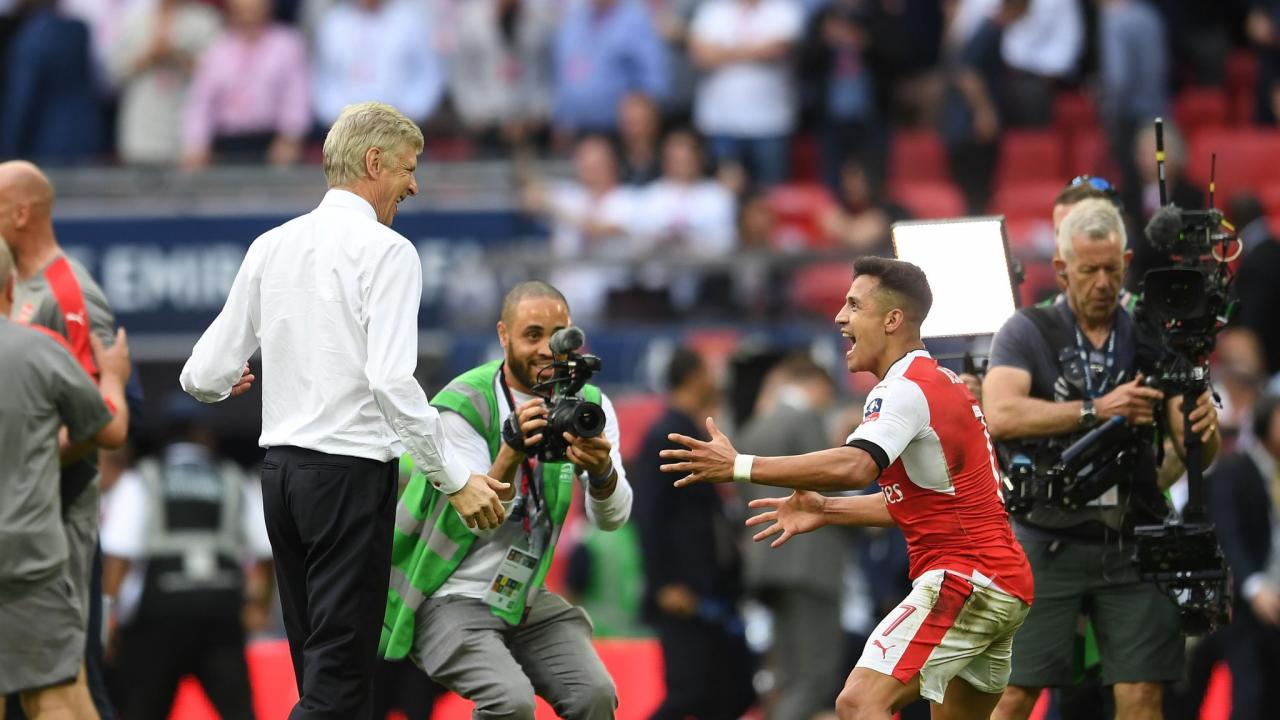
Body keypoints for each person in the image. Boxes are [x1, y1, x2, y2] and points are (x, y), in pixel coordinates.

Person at [180, 101, 504, 719]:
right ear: (375, 161)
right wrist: (454, 479)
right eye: (409, 168)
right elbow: (390, 379)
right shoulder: (389, 252)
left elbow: (203, 372)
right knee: (340, 683)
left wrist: (226, 387)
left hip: (281, 479)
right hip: (348, 479)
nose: (414, 183)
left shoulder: (270, 245)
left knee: (324, 676)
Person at [663, 257, 1035, 719]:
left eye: (854, 305)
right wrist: (826, 510)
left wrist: (740, 465)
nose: (840, 317)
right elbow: (925, 503)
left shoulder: (902, 389)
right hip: (1003, 581)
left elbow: (857, 465)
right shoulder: (944, 384)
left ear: (892, 319)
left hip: (965, 579)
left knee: (858, 703)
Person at [982, 198, 1221, 720]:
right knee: (1015, 693)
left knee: (1140, 693)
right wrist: (1096, 409)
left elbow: (1196, 452)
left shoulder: (1154, 332)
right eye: (1089, 271)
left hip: (1134, 539)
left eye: (1113, 269)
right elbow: (999, 413)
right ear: (1063, 269)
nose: (1102, 283)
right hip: (1046, 537)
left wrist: (1202, 416)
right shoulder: (1028, 330)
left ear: (1127, 262)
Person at [381, 280, 630, 719]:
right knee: (510, 702)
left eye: (556, 337)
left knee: (593, 694)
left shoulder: (589, 405)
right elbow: (480, 519)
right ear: (503, 336)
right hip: (447, 593)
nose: (546, 350)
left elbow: (612, 520)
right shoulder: (464, 404)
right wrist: (511, 452)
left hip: (522, 593)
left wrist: (601, 471)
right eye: (531, 335)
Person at [1, 160, 129, 720]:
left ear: (20, 212)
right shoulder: (23, 289)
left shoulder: (68, 290)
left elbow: (101, 415)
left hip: (59, 521)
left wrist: (23, 457)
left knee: (69, 678)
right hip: (27, 515)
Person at [100, 395, 274, 720]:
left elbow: (119, 557)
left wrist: (106, 621)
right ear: (206, 436)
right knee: (240, 713)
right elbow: (265, 552)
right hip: (220, 614)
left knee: (140, 712)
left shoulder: (142, 479)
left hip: (154, 622)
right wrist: (259, 606)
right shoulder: (233, 479)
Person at [633, 347, 755, 720]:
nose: (715, 379)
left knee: (734, 693)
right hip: (684, 594)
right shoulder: (665, 435)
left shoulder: (693, 433)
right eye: (708, 370)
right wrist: (664, 584)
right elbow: (649, 516)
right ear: (693, 377)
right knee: (690, 693)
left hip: (714, 591)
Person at [736, 356, 848, 720]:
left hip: (768, 562)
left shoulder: (755, 426)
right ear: (817, 385)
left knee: (787, 675)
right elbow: (826, 490)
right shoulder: (804, 420)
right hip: (810, 568)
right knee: (813, 679)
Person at [1206, 394, 1280, 720]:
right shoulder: (1234, 470)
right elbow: (1228, 535)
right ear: (1265, 422)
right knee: (1251, 694)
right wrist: (1253, 585)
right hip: (1243, 604)